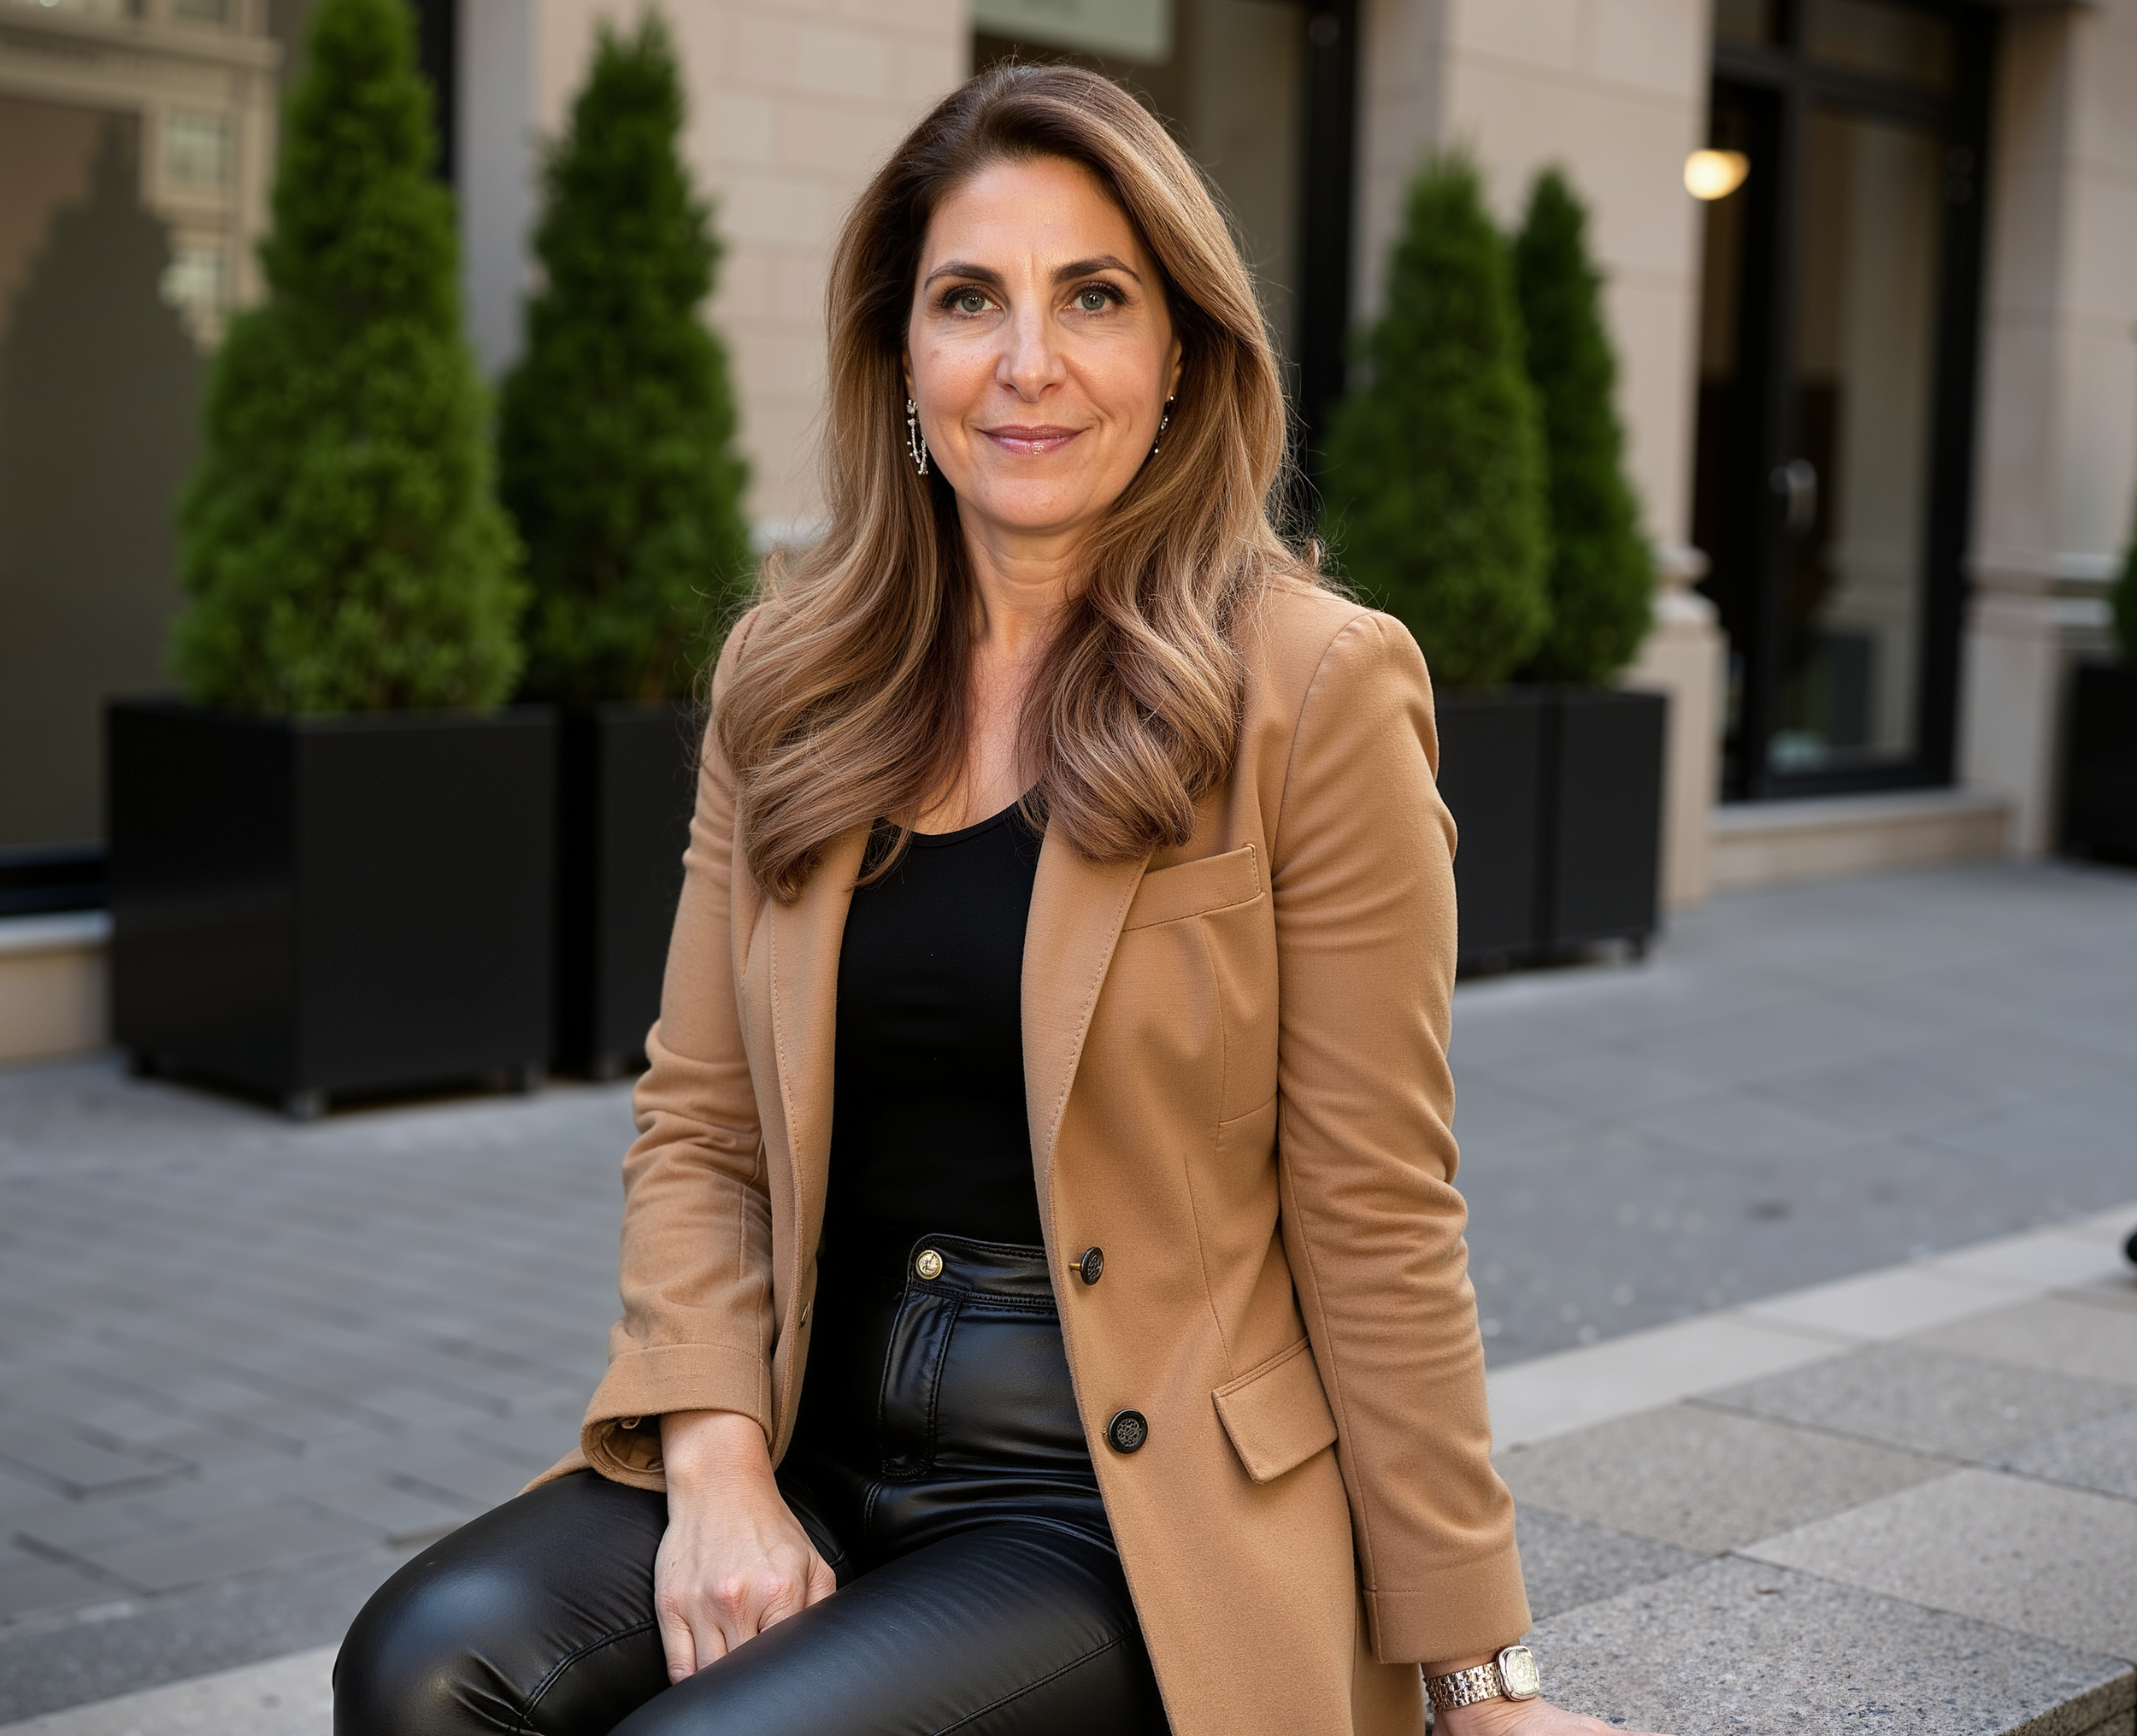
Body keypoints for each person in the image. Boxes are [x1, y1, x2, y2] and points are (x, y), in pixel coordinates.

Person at [334, 62, 1670, 1736]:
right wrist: (716, 1457)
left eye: (1091, 299)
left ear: (1178, 351)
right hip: (805, 1432)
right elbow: (698, 1125)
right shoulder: (790, 673)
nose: (1026, 364)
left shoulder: (1313, 688)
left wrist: (1480, 1680)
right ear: (901, 355)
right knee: (418, 1671)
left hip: (1112, 1497)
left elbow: (1377, 1210)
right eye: (969, 300)